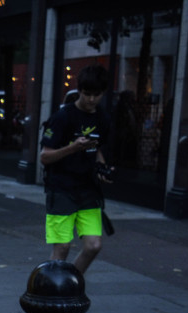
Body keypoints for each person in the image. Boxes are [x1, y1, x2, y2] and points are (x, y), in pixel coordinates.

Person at [40, 64, 113, 276]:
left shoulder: (102, 118)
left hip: (89, 190)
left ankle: (70, 283)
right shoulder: (63, 117)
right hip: (61, 188)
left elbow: (97, 150)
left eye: (96, 95)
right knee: (62, 247)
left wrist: (102, 168)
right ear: (79, 91)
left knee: (93, 246)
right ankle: (52, 290)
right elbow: (45, 157)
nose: (91, 99)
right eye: (87, 94)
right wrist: (73, 147)